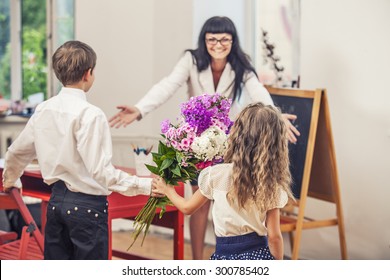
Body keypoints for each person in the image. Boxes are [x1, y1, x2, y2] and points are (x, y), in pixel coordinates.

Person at [109, 16, 299, 259]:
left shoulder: (241, 63)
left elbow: (257, 91)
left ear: (233, 41)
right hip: (196, 144)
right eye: (212, 39)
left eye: (224, 39)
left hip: (229, 144)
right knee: (199, 205)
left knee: (230, 197)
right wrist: (140, 109)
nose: (218, 44)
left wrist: (274, 116)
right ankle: (198, 260)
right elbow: (168, 85)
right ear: (204, 40)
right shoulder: (191, 60)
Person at [2, 40, 157, 260]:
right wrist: (146, 185)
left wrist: (11, 180)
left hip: (55, 205)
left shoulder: (44, 109)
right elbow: (101, 172)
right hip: (88, 210)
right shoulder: (91, 114)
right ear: (88, 73)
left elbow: (17, 153)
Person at [152, 102, 295, 260]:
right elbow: (274, 237)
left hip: (224, 256)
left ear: (237, 135)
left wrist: (168, 190)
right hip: (259, 255)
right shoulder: (270, 185)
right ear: (276, 146)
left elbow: (187, 208)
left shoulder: (216, 176)